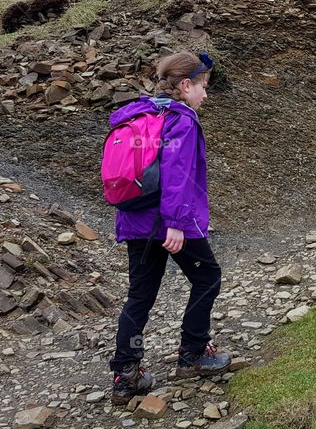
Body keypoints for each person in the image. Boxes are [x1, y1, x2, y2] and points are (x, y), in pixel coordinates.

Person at [108, 51, 230, 406]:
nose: (205, 95)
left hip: (135, 223)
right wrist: (176, 224)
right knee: (207, 277)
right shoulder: (182, 119)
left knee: (140, 296)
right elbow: (177, 175)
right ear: (186, 85)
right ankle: (193, 354)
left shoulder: (138, 113)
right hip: (169, 223)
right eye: (203, 86)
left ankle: (125, 375)